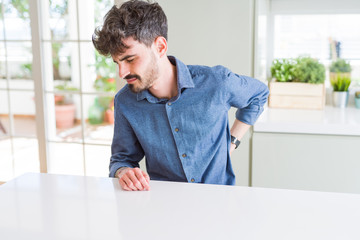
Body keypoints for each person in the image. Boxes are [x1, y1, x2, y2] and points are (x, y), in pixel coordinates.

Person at [92, 0, 269, 191]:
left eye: (130, 59)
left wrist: (232, 142)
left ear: (160, 47)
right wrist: (123, 172)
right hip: (163, 206)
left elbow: (259, 94)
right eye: (117, 62)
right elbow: (121, 159)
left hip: (220, 203)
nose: (122, 73)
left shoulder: (216, 82)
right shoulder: (125, 102)